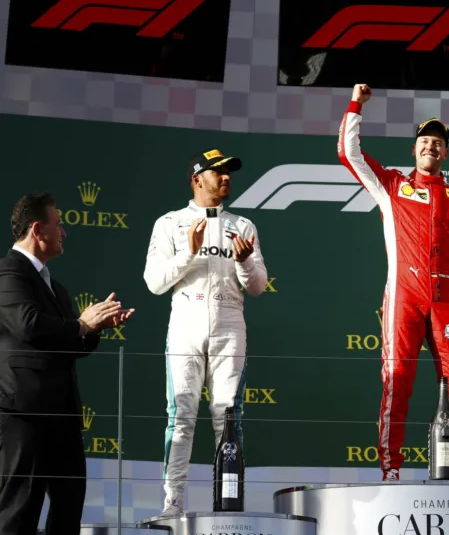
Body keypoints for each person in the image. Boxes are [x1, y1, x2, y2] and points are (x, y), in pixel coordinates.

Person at [338, 84, 449, 482]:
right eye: (425, 141)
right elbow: (349, 153)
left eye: (438, 143)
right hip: (404, 298)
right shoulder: (391, 186)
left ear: (446, 153)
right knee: (397, 384)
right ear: (414, 149)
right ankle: (391, 470)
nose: (430, 147)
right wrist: (356, 105)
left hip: (448, 301)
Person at [143, 149, 268, 516]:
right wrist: (189, 252)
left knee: (227, 415)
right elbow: (154, 282)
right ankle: (172, 503)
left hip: (230, 321)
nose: (226, 177)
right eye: (218, 172)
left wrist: (244, 262)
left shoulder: (243, 225)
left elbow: (258, 286)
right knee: (180, 414)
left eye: (229, 172)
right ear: (197, 179)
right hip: (186, 321)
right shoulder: (170, 223)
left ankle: (228, 502)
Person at [0, 192, 133, 534]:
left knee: (68, 510)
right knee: (19, 512)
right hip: (25, 415)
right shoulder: (8, 273)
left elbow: (69, 343)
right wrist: (82, 324)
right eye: (58, 224)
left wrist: (94, 328)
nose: (64, 231)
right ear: (37, 230)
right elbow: (28, 325)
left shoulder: (55, 287)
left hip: (63, 417)